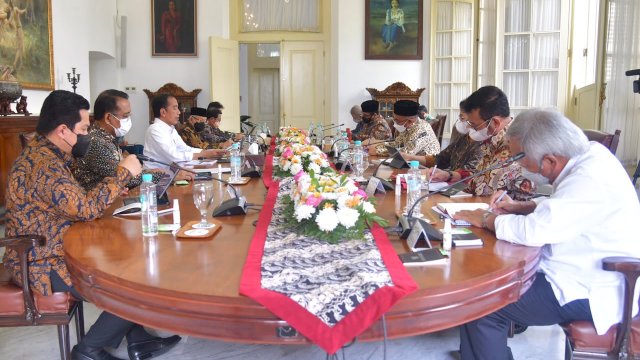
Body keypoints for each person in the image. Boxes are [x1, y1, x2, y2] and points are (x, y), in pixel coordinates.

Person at [2, 90, 182, 360]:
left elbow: (71, 200)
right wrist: (123, 174)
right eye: (84, 128)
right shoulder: (43, 165)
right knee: (133, 284)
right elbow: (84, 209)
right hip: (42, 261)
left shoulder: (48, 155)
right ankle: (87, 351)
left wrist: (110, 188)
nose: (88, 134)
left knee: (134, 260)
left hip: (61, 245)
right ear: (63, 130)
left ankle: (137, 339)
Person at [453, 108, 640, 360]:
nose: (518, 163)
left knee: (485, 304)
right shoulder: (590, 155)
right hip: (575, 269)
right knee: (478, 286)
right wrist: (522, 206)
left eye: (521, 157)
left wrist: (486, 218)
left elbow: (535, 231)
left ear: (550, 160)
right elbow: (566, 207)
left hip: (591, 287)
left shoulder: (589, 177)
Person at [425, 86, 534, 200]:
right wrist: (449, 175)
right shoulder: (495, 137)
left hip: (510, 212)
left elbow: (480, 187)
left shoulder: (513, 141)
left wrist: (451, 177)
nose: (472, 129)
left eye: (475, 125)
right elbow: (476, 173)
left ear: (495, 122)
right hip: (487, 204)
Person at [73, 89, 167, 191]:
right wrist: (164, 175)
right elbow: (124, 178)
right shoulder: (96, 143)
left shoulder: (108, 138)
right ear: (108, 118)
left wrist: (151, 172)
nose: (128, 120)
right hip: (99, 204)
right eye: (125, 116)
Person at [144, 94, 226, 170]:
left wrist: (207, 152)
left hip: (173, 174)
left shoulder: (171, 129)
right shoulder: (154, 130)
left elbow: (185, 149)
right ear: (163, 112)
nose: (179, 112)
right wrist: (203, 154)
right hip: (155, 180)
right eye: (175, 108)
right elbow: (174, 156)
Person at [402, 100, 481, 172]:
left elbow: (471, 172)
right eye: (459, 117)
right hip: (450, 182)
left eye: (462, 117)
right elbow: (440, 159)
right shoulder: (463, 138)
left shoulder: (483, 144)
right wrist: (411, 157)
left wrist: (447, 175)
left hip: (461, 184)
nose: (459, 121)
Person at [371, 99, 440, 156]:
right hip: (411, 163)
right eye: (394, 119)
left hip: (426, 167)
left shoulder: (421, 129)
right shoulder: (408, 127)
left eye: (397, 120)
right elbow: (395, 144)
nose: (394, 122)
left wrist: (377, 151)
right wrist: (376, 146)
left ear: (410, 121)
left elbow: (406, 153)